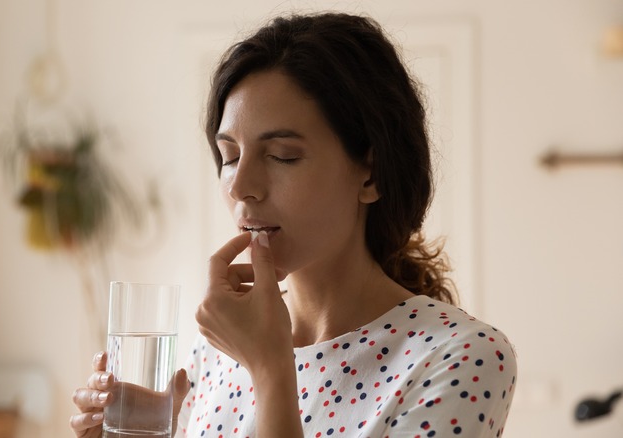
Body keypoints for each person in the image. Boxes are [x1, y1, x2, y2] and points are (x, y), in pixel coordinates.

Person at [70, 11, 517, 437]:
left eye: (282, 156)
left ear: (371, 174)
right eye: (229, 157)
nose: (241, 185)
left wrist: (270, 369)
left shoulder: (461, 355)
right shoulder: (219, 349)